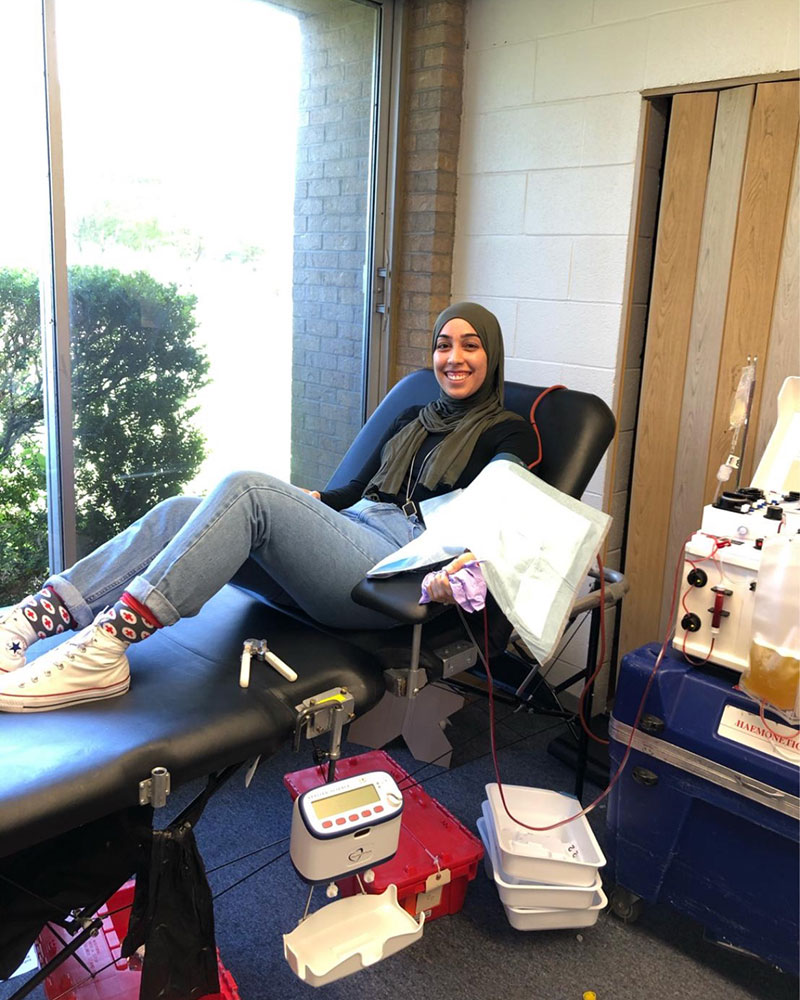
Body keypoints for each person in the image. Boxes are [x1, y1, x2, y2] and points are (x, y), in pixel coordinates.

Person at [0, 302, 537, 712]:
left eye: (470, 346)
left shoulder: (507, 430)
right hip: (351, 534)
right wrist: (315, 504)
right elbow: (352, 492)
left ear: (492, 357)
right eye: (444, 345)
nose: (454, 358)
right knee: (181, 509)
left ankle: (103, 650)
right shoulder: (414, 417)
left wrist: (459, 565)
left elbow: (502, 504)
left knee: (248, 487)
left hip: (391, 570)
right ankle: (31, 619)